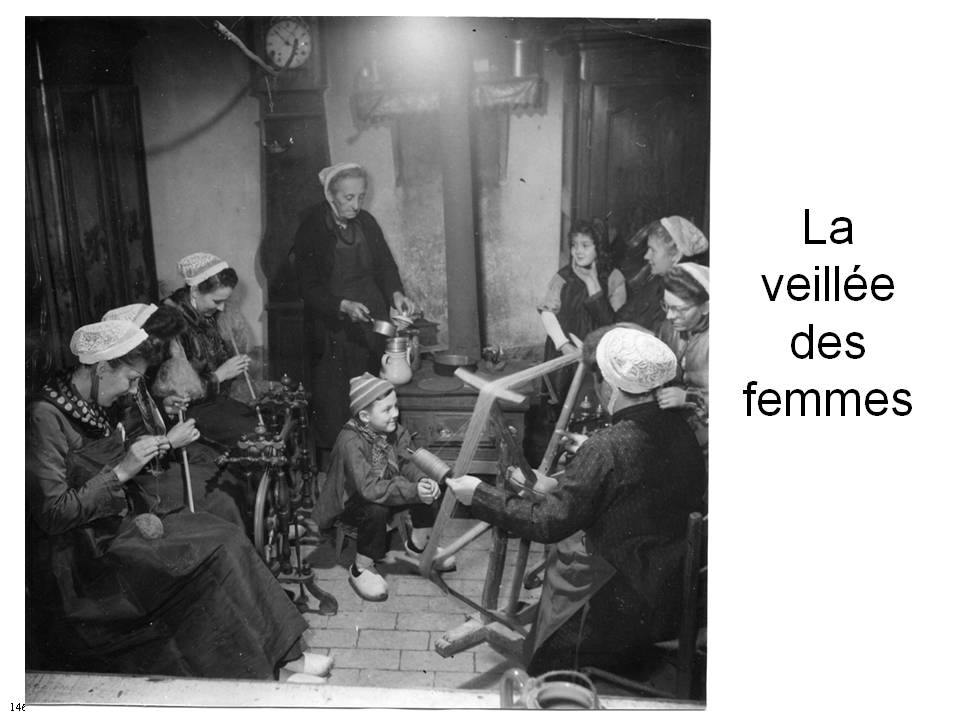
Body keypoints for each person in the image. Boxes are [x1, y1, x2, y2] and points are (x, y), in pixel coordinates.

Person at [25, 320, 333, 681]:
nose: (133, 390)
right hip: (83, 560)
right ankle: (268, 665)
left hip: (117, 522)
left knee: (227, 536)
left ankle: (285, 654)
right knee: (210, 553)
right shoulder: (44, 417)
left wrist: (148, 437)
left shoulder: (91, 399)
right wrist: (122, 471)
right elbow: (53, 514)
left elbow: (107, 455)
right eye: (131, 379)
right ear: (102, 368)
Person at [445, 326, 706, 675]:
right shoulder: (680, 426)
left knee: (545, 659)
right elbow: (639, 485)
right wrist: (578, 473)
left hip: (626, 603)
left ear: (609, 386)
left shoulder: (606, 448)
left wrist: (478, 495)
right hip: (674, 584)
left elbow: (546, 523)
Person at [292, 162, 419, 456]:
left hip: (370, 317)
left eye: (361, 197)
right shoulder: (312, 229)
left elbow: (385, 265)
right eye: (348, 198)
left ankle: (376, 456)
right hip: (333, 326)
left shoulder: (367, 222)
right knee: (336, 398)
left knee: (373, 389)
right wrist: (342, 305)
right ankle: (342, 461)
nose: (356, 205)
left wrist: (396, 294)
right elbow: (308, 287)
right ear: (330, 196)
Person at [101, 303, 247, 527]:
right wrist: (167, 442)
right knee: (219, 497)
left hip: (155, 459)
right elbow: (121, 450)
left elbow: (144, 413)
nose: (157, 349)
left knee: (225, 472)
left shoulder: (135, 370)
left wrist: (165, 408)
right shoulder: (110, 387)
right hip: (136, 482)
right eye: (152, 341)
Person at [314, 373, 455, 601]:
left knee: (426, 486)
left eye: (395, 406)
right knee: (375, 508)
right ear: (364, 416)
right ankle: (361, 567)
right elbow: (368, 488)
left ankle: (418, 546)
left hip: (385, 487)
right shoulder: (351, 442)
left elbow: (407, 463)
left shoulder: (395, 431)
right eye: (387, 410)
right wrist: (411, 491)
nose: (395, 414)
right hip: (351, 501)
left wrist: (421, 481)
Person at [163, 252, 259, 449]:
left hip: (213, 401)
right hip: (186, 413)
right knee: (253, 435)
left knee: (264, 421)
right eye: (216, 301)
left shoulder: (206, 314)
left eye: (225, 301)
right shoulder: (170, 323)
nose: (222, 308)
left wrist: (235, 365)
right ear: (195, 291)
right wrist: (220, 375)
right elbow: (178, 394)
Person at [538, 219, 626, 404]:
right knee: (560, 404)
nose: (578, 251)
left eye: (585, 245)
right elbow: (547, 313)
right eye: (574, 245)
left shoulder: (614, 277)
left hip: (597, 359)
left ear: (599, 248)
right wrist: (564, 345)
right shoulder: (563, 277)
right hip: (563, 354)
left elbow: (615, 325)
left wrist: (592, 284)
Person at [616, 216, 709, 331]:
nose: (646, 256)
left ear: (675, 255)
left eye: (653, 250)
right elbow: (618, 320)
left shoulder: (687, 295)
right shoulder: (654, 283)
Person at [656, 263, 709, 457]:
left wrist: (688, 398)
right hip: (679, 426)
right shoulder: (669, 328)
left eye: (680, 309)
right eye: (667, 306)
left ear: (706, 306)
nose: (670, 316)